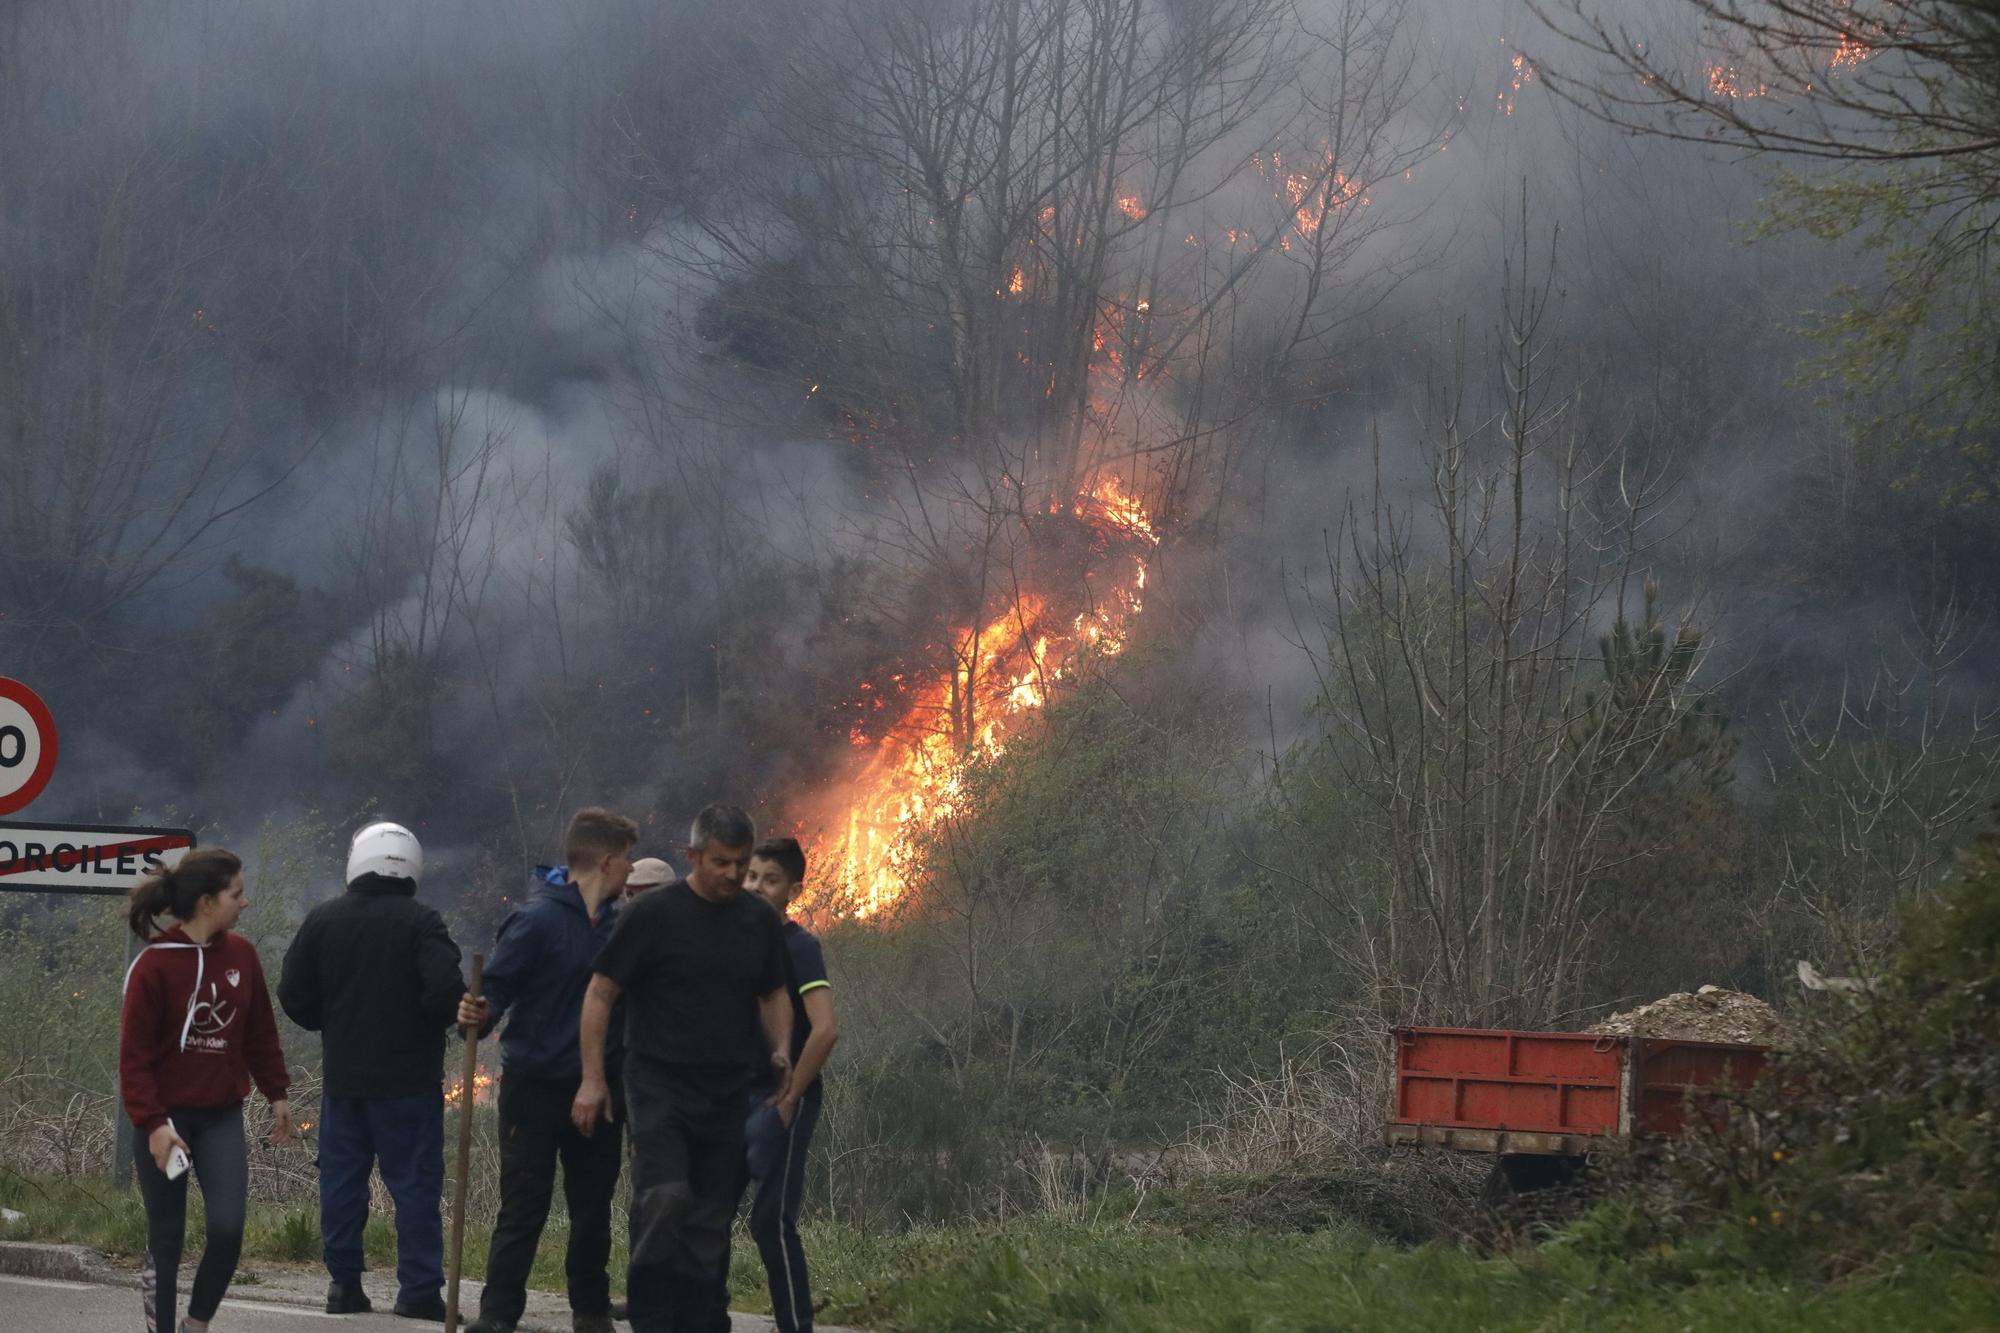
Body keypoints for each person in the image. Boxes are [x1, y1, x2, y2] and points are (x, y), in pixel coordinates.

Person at [574, 804, 792, 1333]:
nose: (734, 875)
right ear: (693, 855)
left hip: (726, 1087)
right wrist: (593, 1078)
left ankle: (699, 1318)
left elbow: (774, 992)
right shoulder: (652, 915)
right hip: (658, 1083)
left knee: (711, 1215)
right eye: (721, 862)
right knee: (666, 1198)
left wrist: (781, 1047)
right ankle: (650, 1315)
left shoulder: (757, 919)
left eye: (741, 863)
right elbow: (601, 994)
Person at [457, 808, 638, 1333]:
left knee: (592, 1207)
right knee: (524, 1205)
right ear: (606, 860)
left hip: (601, 1086)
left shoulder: (622, 927)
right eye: (626, 859)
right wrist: (476, 1011)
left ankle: (590, 1311)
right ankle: (497, 1315)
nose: (631, 869)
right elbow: (497, 991)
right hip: (534, 1084)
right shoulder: (536, 920)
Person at [279, 821, 465, 1320]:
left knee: (341, 1183)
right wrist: (433, 1022)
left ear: (357, 861)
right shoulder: (423, 922)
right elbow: (448, 993)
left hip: (344, 1081)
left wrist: (332, 1023)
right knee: (415, 1186)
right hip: (409, 1084)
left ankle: (343, 1286)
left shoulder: (323, 919)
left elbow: (293, 993)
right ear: (412, 867)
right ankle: (419, 1291)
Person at [120, 847, 294, 1333]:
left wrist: (276, 1092)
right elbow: (133, 1060)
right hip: (165, 1121)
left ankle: (197, 1324)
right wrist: (154, 1125)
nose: (246, 902)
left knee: (227, 1229)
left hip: (220, 1116)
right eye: (237, 894)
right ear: (206, 903)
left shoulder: (243, 954)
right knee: (168, 1237)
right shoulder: (154, 967)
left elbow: (259, 1030)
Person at [714, 836, 840, 1333]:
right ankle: (709, 1318)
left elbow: (826, 1029)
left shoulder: (799, 947)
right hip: (729, 1097)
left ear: (793, 888)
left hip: (780, 1099)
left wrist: (789, 1098)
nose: (758, 887)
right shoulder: (730, 940)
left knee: (770, 1221)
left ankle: (795, 1325)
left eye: (771, 880)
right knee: (712, 1213)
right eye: (751, 876)